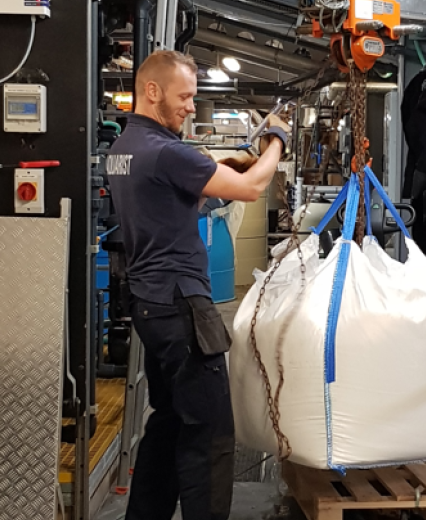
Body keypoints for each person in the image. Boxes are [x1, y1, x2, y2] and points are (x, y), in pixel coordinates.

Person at [105, 50, 289, 520]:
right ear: (152, 91)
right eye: (184, 96)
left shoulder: (126, 147)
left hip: (150, 304)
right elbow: (251, 189)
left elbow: (169, 198)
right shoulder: (169, 153)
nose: (190, 106)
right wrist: (275, 144)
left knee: (168, 421)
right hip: (182, 306)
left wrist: (222, 164)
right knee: (209, 433)